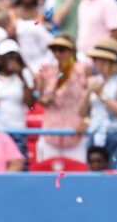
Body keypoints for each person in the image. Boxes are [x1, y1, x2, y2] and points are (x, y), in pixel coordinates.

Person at [78, 38, 117, 169]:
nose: (93, 63)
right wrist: (89, 91)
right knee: (95, 183)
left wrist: (101, 94)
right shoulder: (95, 80)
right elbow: (81, 113)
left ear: (106, 60)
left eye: (96, 59)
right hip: (96, 137)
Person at [35, 34, 91, 162]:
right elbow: (42, 100)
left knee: (78, 176)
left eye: (61, 49)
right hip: (51, 132)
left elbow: (91, 98)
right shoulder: (47, 70)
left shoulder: (82, 69)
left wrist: (86, 122)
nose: (57, 53)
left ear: (71, 50)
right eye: (54, 50)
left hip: (76, 132)